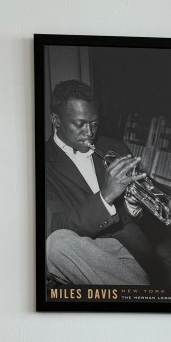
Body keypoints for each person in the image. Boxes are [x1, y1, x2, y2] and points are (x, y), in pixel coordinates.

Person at [45, 80, 156, 285]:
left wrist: (133, 205)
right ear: (56, 120)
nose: (89, 133)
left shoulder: (116, 148)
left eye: (95, 123)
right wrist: (106, 197)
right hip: (77, 252)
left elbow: (136, 223)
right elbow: (56, 225)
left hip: (126, 249)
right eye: (80, 124)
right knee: (55, 243)